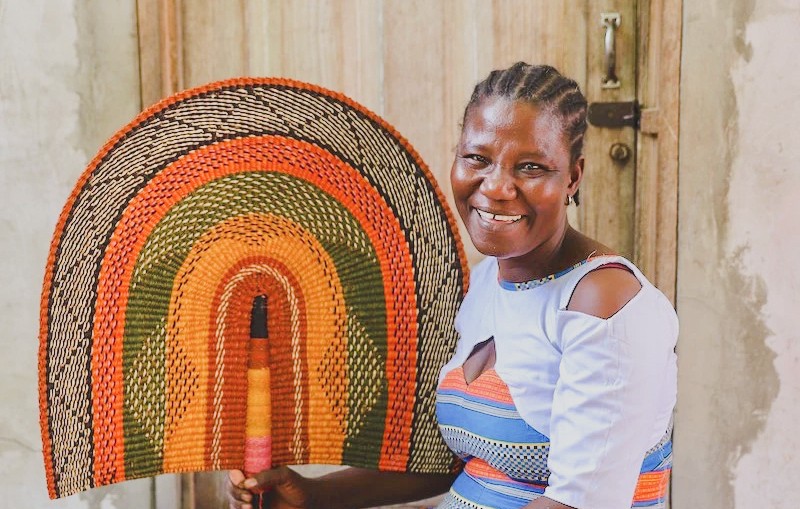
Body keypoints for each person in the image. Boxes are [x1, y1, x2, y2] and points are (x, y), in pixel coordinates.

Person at [227, 62, 678, 509]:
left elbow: (578, 504)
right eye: (477, 159)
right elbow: (465, 461)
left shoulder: (605, 306)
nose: (497, 187)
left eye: (531, 167)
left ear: (573, 178)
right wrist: (312, 496)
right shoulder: (486, 281)